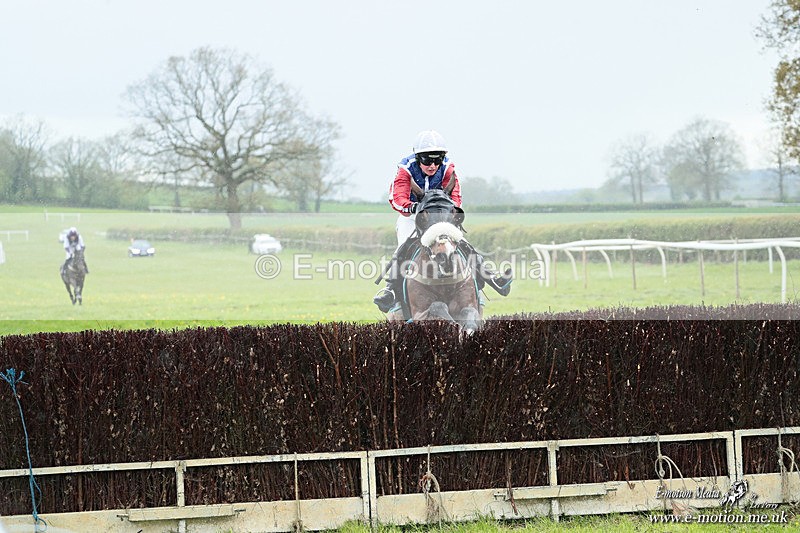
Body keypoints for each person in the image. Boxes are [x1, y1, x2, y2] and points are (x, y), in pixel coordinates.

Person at [373, 130, 511, 313]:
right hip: (413, 216)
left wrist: (448, 213)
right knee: (404, 245)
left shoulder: (448, 168)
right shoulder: (405, 169)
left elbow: (456, 198)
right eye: (427, 160)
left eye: (437, 160)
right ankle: (389, 290)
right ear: (417, 157)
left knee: (463, 243)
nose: (432, 165)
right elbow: (397, 198)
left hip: (440, 216)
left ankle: (492, 278)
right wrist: (413, 207)